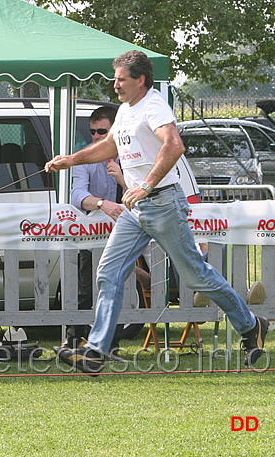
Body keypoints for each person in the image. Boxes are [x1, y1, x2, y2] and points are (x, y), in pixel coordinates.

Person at [45, 50, 268, 373]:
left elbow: (174, 145)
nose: (115, 84)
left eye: (121, 79)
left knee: (196, 276)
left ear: (141, 80)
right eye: (115, 78)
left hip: (162, 202)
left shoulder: (153, 106)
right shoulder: (124, 110)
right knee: (108, 273)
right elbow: (110, 147)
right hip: (135, 209)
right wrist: (71, 159)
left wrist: (146, 184)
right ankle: (95, 351)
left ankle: (250, 326)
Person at [59, 106, 128, 353]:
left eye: (102, 131)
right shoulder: (85, 158)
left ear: (115, 131)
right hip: (92, 235)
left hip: (127, 236)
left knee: (118, 287)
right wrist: (101, 203)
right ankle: (74, 337)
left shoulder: (132, 156)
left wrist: (121, 178)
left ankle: (112, 342)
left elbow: (143, 192)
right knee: (85, 287)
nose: (97, 137)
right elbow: (77, 194)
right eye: (93, 132)